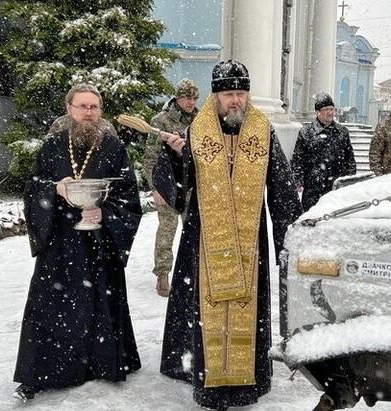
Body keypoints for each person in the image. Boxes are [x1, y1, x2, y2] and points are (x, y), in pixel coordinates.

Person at [153, 60, 302, 410]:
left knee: (248, 306)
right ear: (216, 95)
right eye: (228, 94)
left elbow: (280, 187)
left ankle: (248, 380)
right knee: (205, 306)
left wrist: (290, 238)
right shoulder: (196, 131)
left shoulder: (262, 130)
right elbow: (180, 188)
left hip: (251, 240)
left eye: (241, 93)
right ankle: (208, 380)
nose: (235, 101)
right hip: (205, 236)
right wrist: (175, 158)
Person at [13, 83, 142, 400]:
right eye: (82, 106)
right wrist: (54, 190)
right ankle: (41, 372)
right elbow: (33, 186)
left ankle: (101, 363)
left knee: (100, 301)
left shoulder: (113, 147)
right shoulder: (54, 145)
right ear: (69, 109)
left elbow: (129, 195)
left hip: (99, 243)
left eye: (94, 107)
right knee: (51, 306)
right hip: (60, 243)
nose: (88, 113)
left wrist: (105, 212)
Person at [143, 78, 200, 297]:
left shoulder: (201, 120)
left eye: (195, 98)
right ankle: (163, 275)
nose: (191, 102)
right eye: (187, 97)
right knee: (167, 230)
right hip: (167, 185)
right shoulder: (161, 121)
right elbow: (150, 158)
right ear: (178, 98)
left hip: (191, 186)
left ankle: (192, 271)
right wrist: (155, 188)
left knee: (192, 231)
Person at [291, 92, 356, 211]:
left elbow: (350, 159)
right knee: (311, 220)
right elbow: (298, 159)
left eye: (332, 109)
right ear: (317, 112)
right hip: (313, 187)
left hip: (337, 187)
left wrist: (350, 179)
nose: (330, 112)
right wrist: (297, 180)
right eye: (326, 109)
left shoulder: (342, 132)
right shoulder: (306, 132)